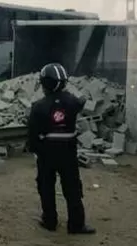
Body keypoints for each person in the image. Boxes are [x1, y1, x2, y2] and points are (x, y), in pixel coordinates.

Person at [28, 63, 95, 235]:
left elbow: (32, 136)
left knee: (46, 186)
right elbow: (82, 101)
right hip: (68, 153)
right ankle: (76, 224)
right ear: (64, 82)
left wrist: (36, 150)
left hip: (46, 153)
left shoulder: (38, 107)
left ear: (44, 84)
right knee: (72, 188)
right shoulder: (73, 102)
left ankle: (49, 220)